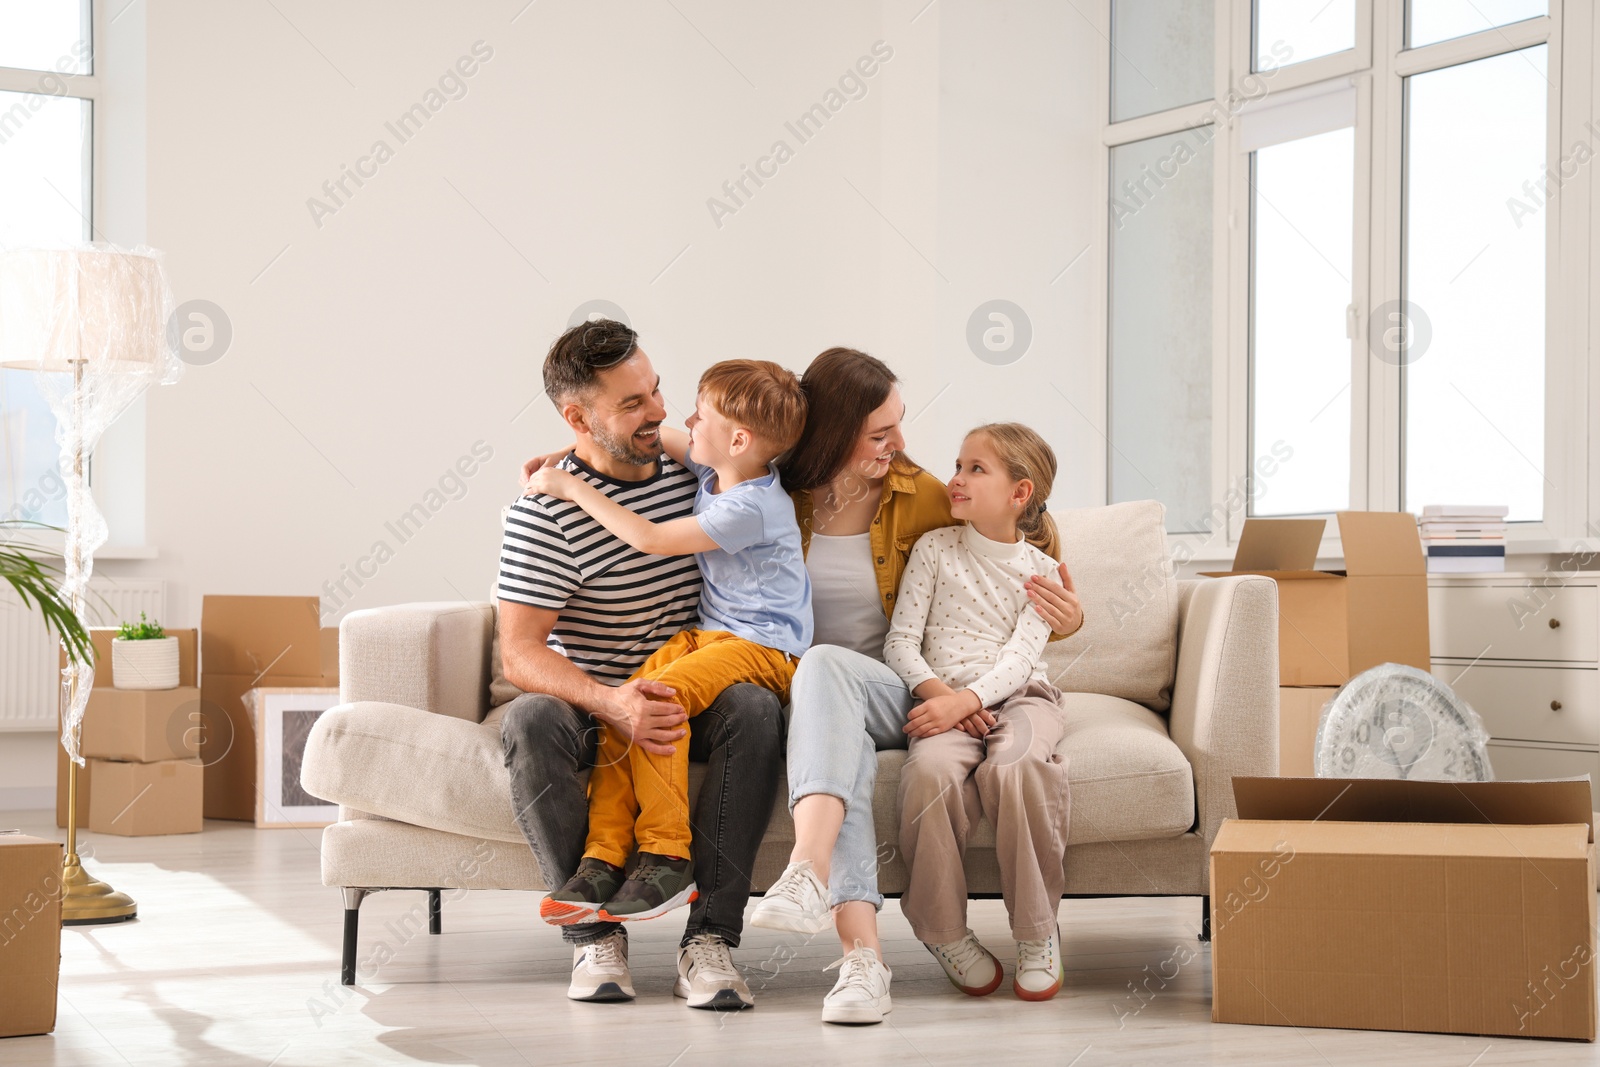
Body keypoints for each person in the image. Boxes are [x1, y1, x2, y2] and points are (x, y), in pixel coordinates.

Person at [745, 349, 1083, 1025]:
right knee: (821, 674)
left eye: (898, 427)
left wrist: (1069, 621)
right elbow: (702, 444)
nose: (902, 446)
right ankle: (865, 956)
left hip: (900, 692)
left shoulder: (921, 494)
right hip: (833, 691)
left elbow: (1013, 560)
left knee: (833, 673)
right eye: (880, 433)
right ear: (834, 431)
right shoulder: (770, 497)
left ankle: (816, 884)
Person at [497, 319, 783, 1011]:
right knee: (531, 717)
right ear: (577, 416)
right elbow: (520, 651)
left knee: (756, 704)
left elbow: (770, 448)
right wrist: (610, 700)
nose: (657, 410)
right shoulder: (543, 514)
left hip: (691, 689)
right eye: (632, 403)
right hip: (600, 697)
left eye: (655, 390)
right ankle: (596, 936)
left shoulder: (697, 472)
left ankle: (709, 938)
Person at [524, 359, 811, 927]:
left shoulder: (750, 506)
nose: (682, 421)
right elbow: (648, 437)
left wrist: (570, 486)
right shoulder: (720, 470)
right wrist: (569, 450)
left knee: (656, 701)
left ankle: (667, 855)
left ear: (738, 439)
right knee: (625, 701)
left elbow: (650, 538)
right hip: (709, 637)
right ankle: (603, 854)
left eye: (699, 416)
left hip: (768, 648)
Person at [887, 423, 1070, 1002]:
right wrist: (943, 697)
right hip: (945, 700)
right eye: (958, 465)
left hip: (1020, 700)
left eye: (975, 469)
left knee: (1015, 767)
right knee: (929, 773)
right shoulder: (934, 550)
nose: (955, 479)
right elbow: (899, 643)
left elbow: (1021, 660)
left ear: (1020, 493)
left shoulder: (1041, 572)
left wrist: (971, 699)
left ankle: (1037, 933)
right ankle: (945, 933)